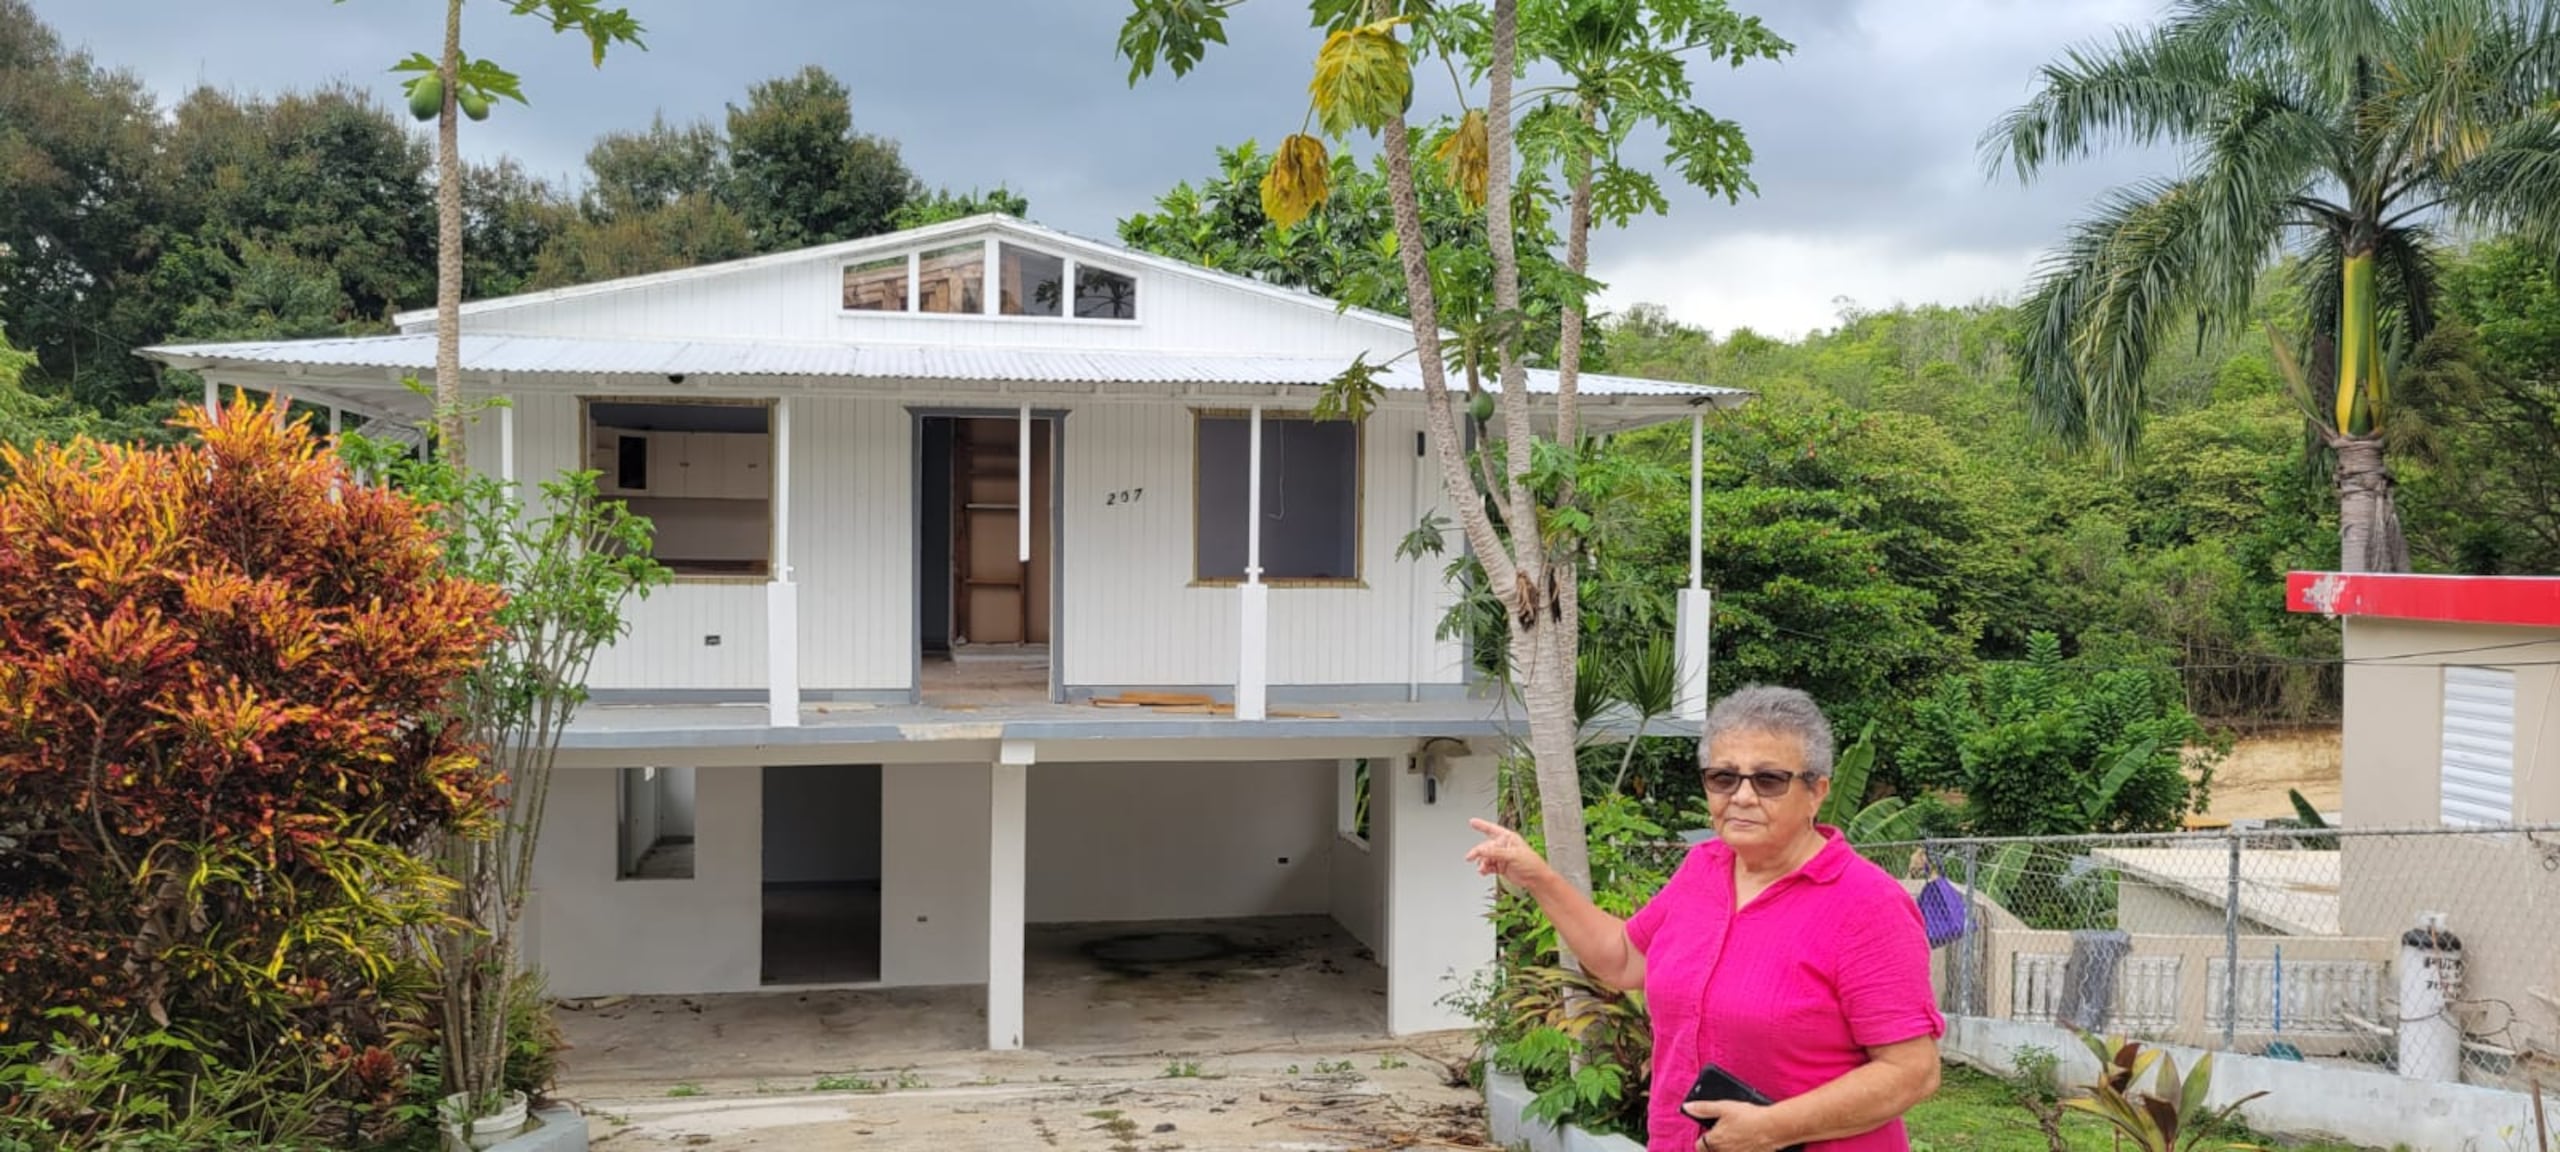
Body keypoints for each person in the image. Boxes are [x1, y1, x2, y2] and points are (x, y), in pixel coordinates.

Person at [1464, 685, 1942, 1152]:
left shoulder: (1866, 904)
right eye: (1724, 778)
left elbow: (1912, 1071)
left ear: (1816, 792)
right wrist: (1538, 877)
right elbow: (1624, 959)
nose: (1742, 796)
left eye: (1769, 780)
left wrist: (1774, 1128)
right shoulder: (1703, 868)